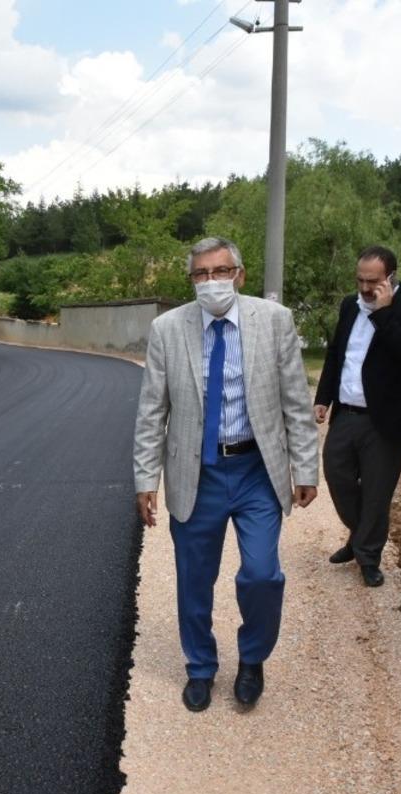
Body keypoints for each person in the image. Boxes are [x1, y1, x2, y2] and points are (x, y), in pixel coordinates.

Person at [133, 236, 320, 712]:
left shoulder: (273, 321)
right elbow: (152, 410)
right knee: (194, 580)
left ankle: (252, 658)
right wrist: (144, 479)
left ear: (239, 274)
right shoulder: (167, 329)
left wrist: (306, 466)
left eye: (220, 271)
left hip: (257, 471)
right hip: (197, 474)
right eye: (200, 274)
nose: (211, 282)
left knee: (261, 575)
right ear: (191, 280)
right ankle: (200, 667)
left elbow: (295, 401)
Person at [314, 245, 401, 587]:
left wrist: (383, 313)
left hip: (388, 420)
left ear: (390, 278)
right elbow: (337, 352)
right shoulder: (349, 305)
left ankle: (367, 555)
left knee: (377, 491)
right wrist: (324, 397)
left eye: (373, 281)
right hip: (347, 412)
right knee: (337, 475)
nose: (365, 288)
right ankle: (360, 535)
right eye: (360, 280)